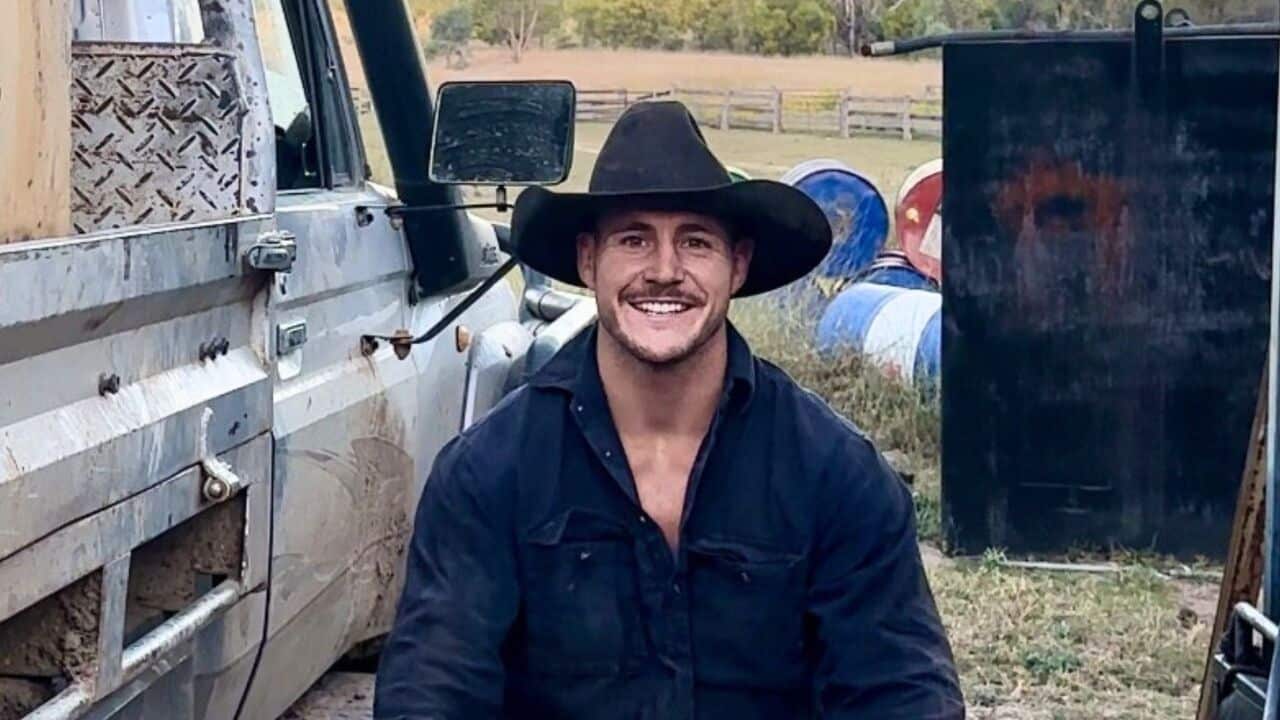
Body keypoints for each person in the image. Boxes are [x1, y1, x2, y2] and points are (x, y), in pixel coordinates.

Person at [373, 101, 964, 719]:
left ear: (737, 265)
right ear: (587, 260)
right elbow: (432, 689)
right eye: (633, 239)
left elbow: (899, 690)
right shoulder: (489, 472)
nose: (664, 271)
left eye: (695, 241)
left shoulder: (836, 474)